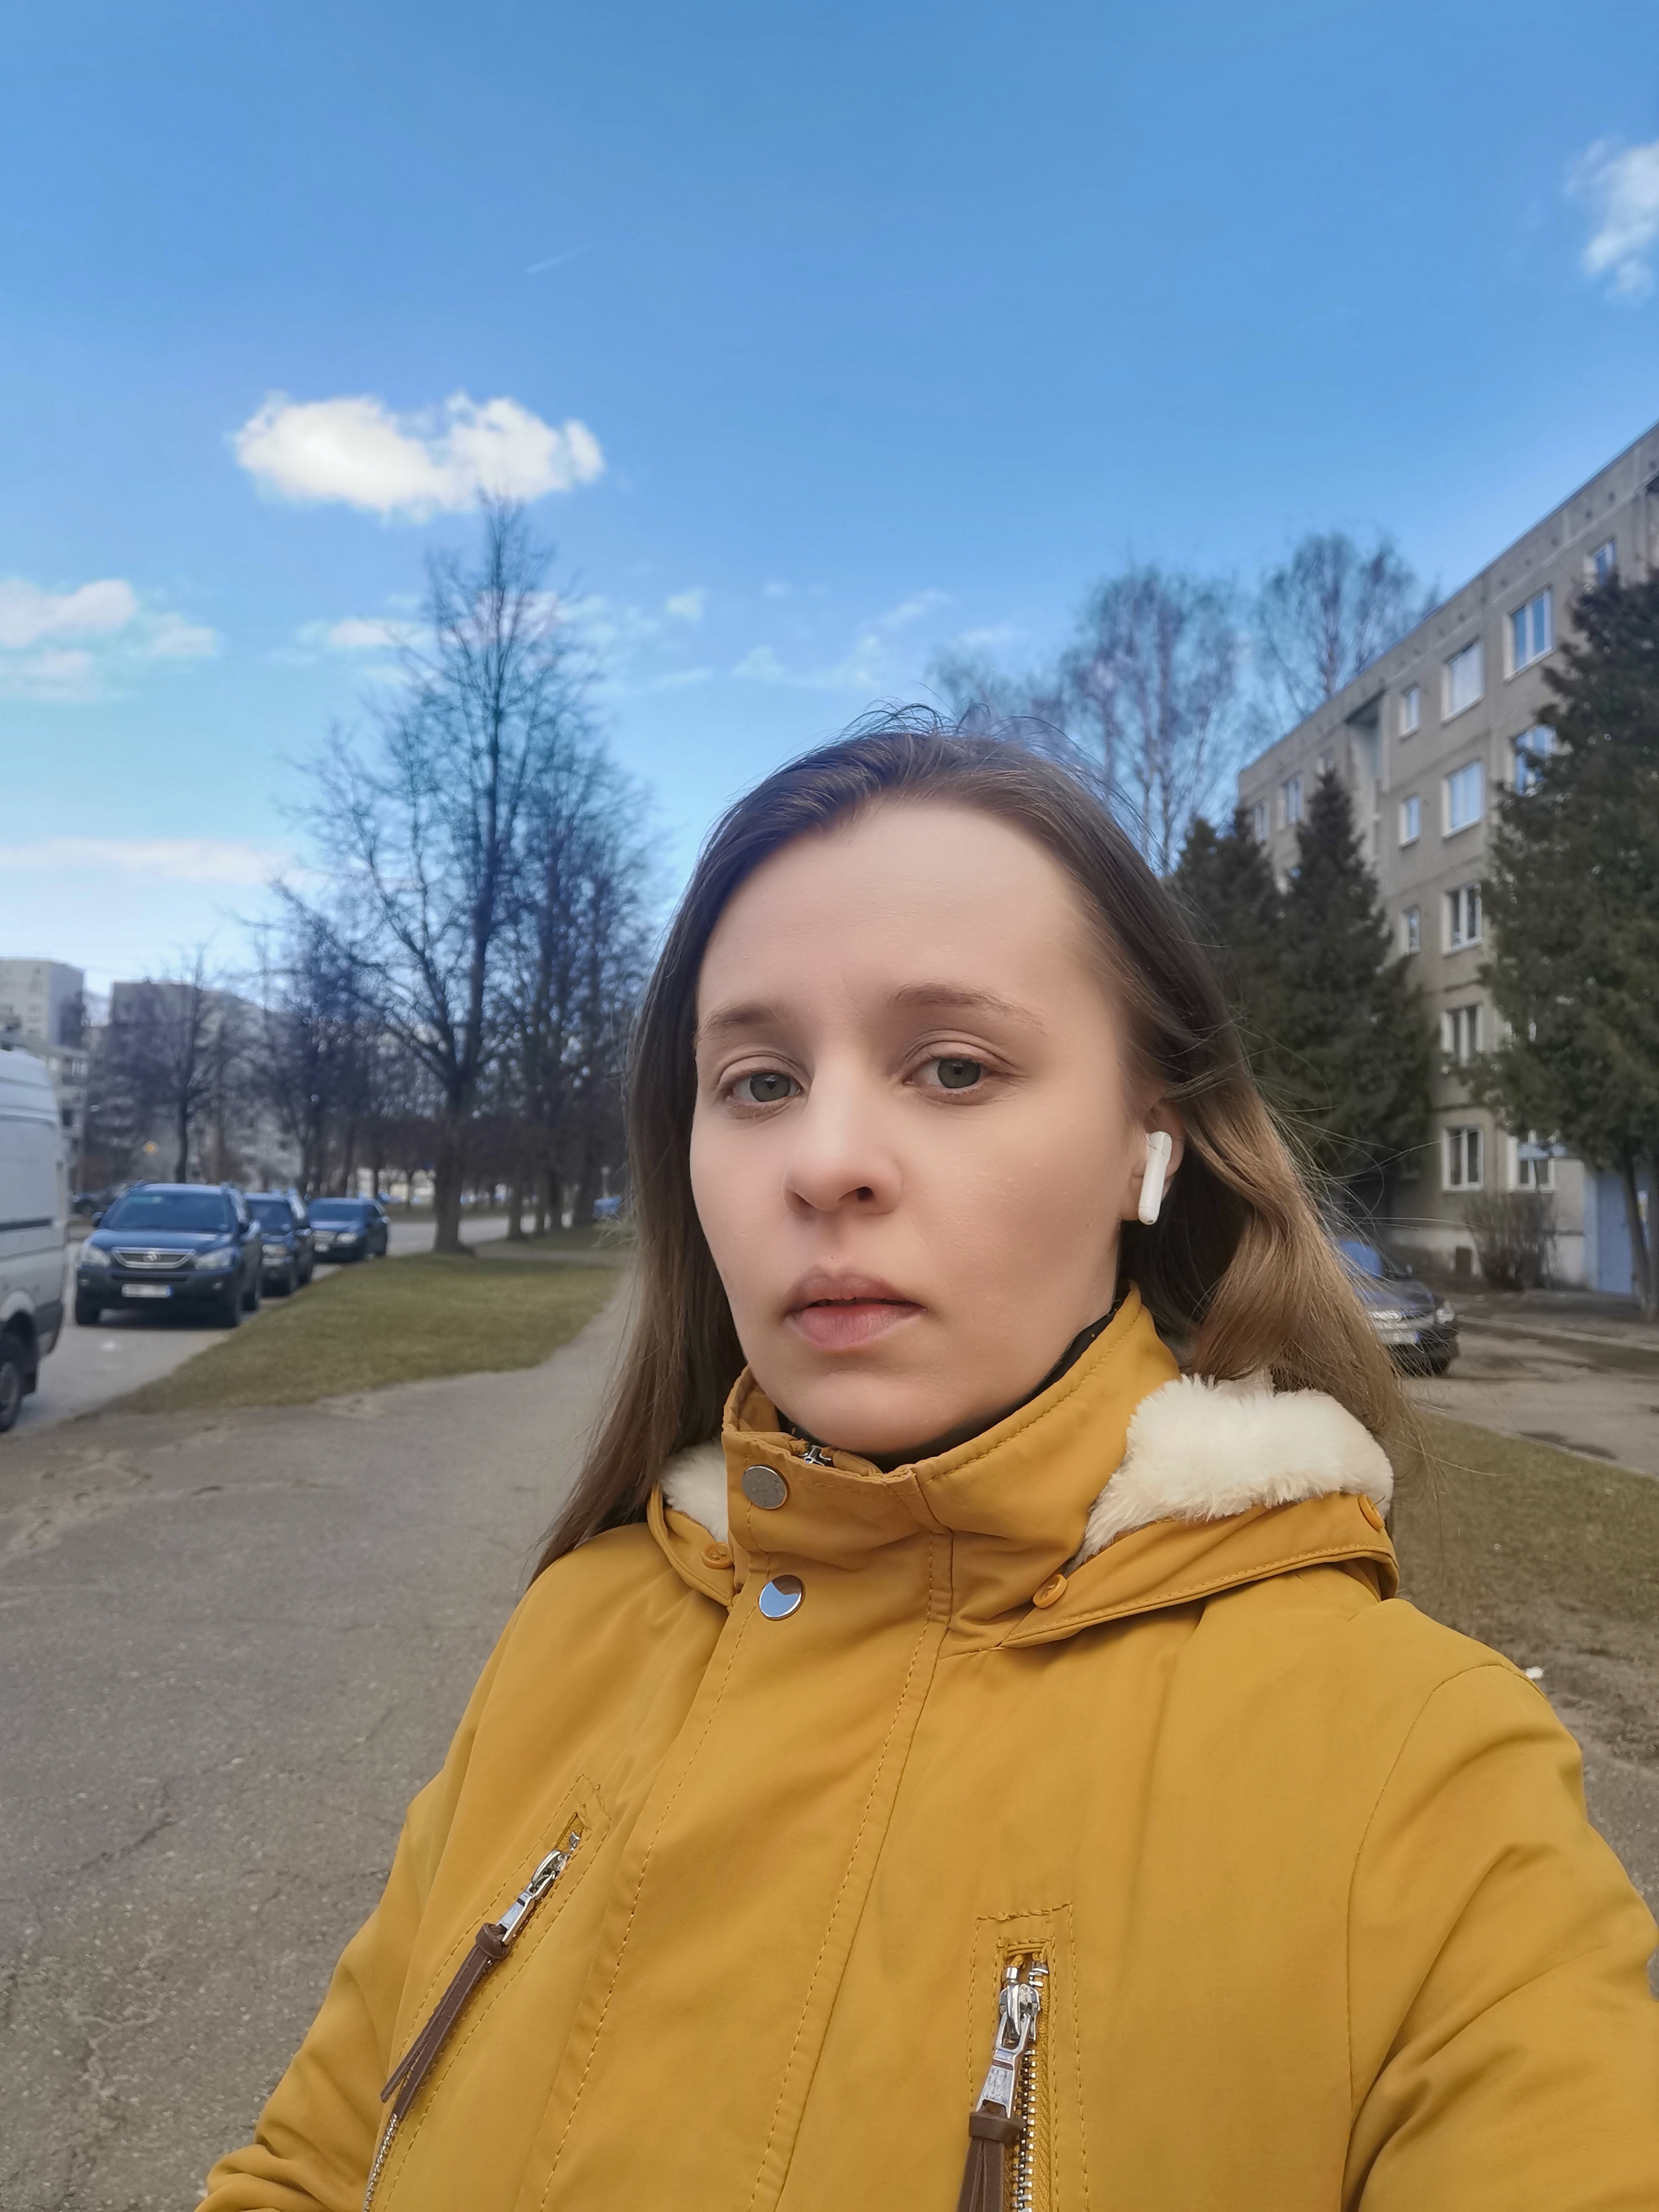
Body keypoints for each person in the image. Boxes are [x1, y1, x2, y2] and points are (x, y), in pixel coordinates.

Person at [202, 719, 1659, 2212]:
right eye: (758, 1081)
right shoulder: (573, 1628)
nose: (824, 1160)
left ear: (1148, 1146)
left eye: (954, 1067)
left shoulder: (1422, 1773)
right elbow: (311, 2164)